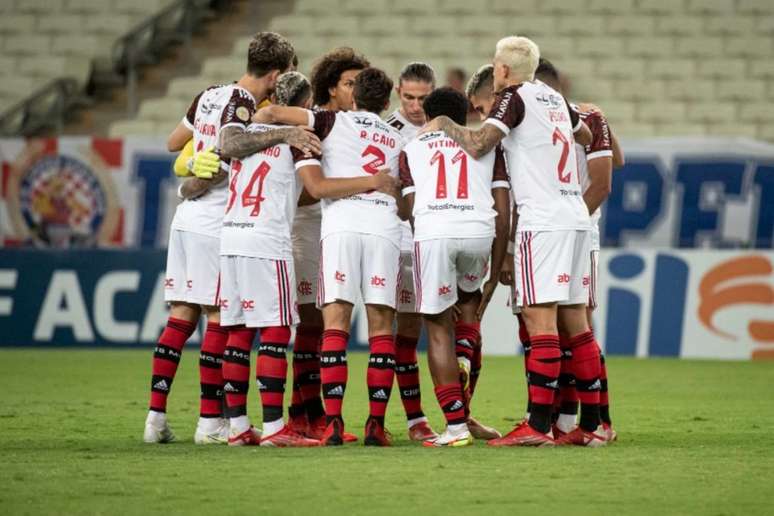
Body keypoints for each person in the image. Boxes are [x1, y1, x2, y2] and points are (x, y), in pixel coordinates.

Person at [421, 36, 605, 447]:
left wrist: (444, 124)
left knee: (541, 322)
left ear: (502, 70)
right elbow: (586, 138)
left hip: (542, 221)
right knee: (577, 324)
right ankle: (592, 427)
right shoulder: (556, 99)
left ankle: (537, 427)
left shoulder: (514, 96)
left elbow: (481, 142)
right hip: (576, 215)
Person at [143, 31, 319, 445]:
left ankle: (156, 418)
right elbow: (229, 142)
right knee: (222, 321)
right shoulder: (243, 104)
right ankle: (211, 422)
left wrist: (191, 168)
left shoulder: (209, 93)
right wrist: (282, 134)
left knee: (182, 318)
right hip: (220, 221)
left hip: (188, 217)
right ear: (277, 73)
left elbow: (174, 144)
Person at [204, 71, 397, 446]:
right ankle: (280, 428)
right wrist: (373, 181)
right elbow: (316, 188)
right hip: (274, 238)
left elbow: (215, 163)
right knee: (283, 331)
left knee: (239, 331)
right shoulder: (306, 137)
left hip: (231, 234)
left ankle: (236, 424)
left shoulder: (244, 139)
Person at [400, 87, 510, 446]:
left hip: (434, 230)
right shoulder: (489, 146)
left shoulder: (411, 148)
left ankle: (455, 427)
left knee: (436, 327)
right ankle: (465, 357)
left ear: (429, 116)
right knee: (469, 305)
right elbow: (503, 205)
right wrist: (496, 265)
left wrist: (428, 245)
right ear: (464, 115)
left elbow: (410, 209)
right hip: (479, 230)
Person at [535, 58, 623, 442]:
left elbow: (611, 170)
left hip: (579, 231)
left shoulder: (582, 118)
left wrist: (570, 223)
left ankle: (599, 421)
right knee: (567, 328)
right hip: (566, 228)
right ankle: (570, 419)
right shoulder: (545, 121)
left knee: (578, 325)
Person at [287, 47, 369, 443]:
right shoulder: (316, 126)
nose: (356, 89)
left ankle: (302, 412)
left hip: (333, 230)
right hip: (305, 229)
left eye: (359, 82)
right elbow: (299, 193)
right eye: (349, 83)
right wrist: (349, 189)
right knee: (311, 323)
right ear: (331, 88)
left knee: (321, 325)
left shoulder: (356, 126)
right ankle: (306, 413)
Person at [384, 62, 438, 442]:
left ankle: (458, 416)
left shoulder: (447, 127)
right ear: (398, 94)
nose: (416, 105)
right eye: (409, 97)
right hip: (398, 239)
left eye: (423, 98)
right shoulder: (387, 132)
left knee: (438, 331)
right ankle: (414, 419)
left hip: (435, 236)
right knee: (400, 332)